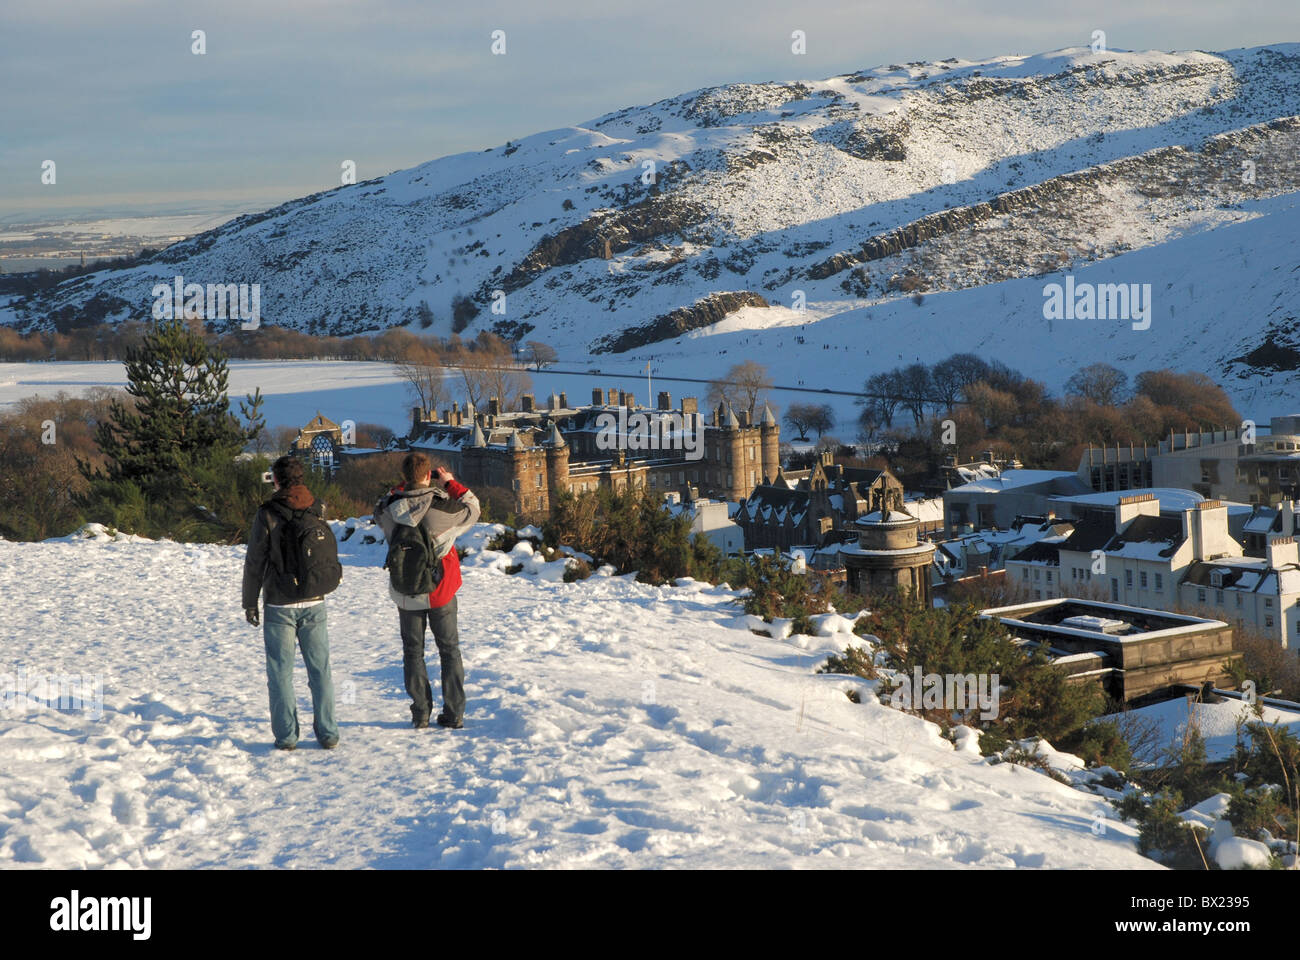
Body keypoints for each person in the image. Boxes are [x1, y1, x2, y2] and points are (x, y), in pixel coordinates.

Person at [375, 452, 480, 730]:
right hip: (440, 589)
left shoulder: (389, 509)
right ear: (427, 475)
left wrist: (400, 489)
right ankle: (454, 712)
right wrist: (449, 484)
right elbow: (473, 508)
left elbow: (377, 510)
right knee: (449, 650)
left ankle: (420, 712)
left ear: (405, 476)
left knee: (412, 651)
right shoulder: (443, 510)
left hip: (406, 590)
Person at [242, 455, 340, 751]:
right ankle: (328, 733)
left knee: (280, 671)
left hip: (279, 603)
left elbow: (255, 561)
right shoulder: (317, 506)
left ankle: (286, 737)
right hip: (314, 599)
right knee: (320, 669)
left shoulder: (267, 513)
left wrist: (250, 602)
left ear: (277, 480)